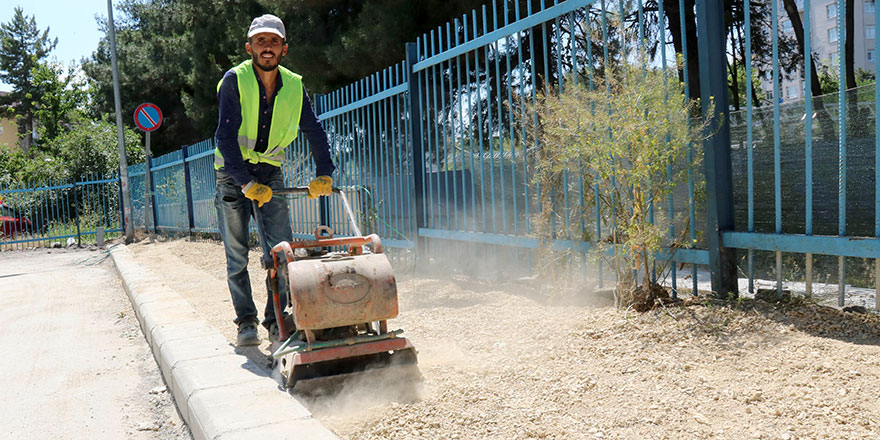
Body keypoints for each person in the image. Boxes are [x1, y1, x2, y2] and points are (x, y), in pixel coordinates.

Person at [214, 14, 335, 346]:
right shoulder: (233, 80)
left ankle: (277, 319)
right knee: (237, 253)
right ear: (249, 47)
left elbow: (314, 130)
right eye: (260, 41)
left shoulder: (294, 85)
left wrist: (324, 172)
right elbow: (225, 139)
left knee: (281, 251)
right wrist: (245, 183)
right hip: (231, 174)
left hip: (270, 171)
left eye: (273, 41)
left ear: (284, 49)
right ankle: (246, 323)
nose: (267, 47)